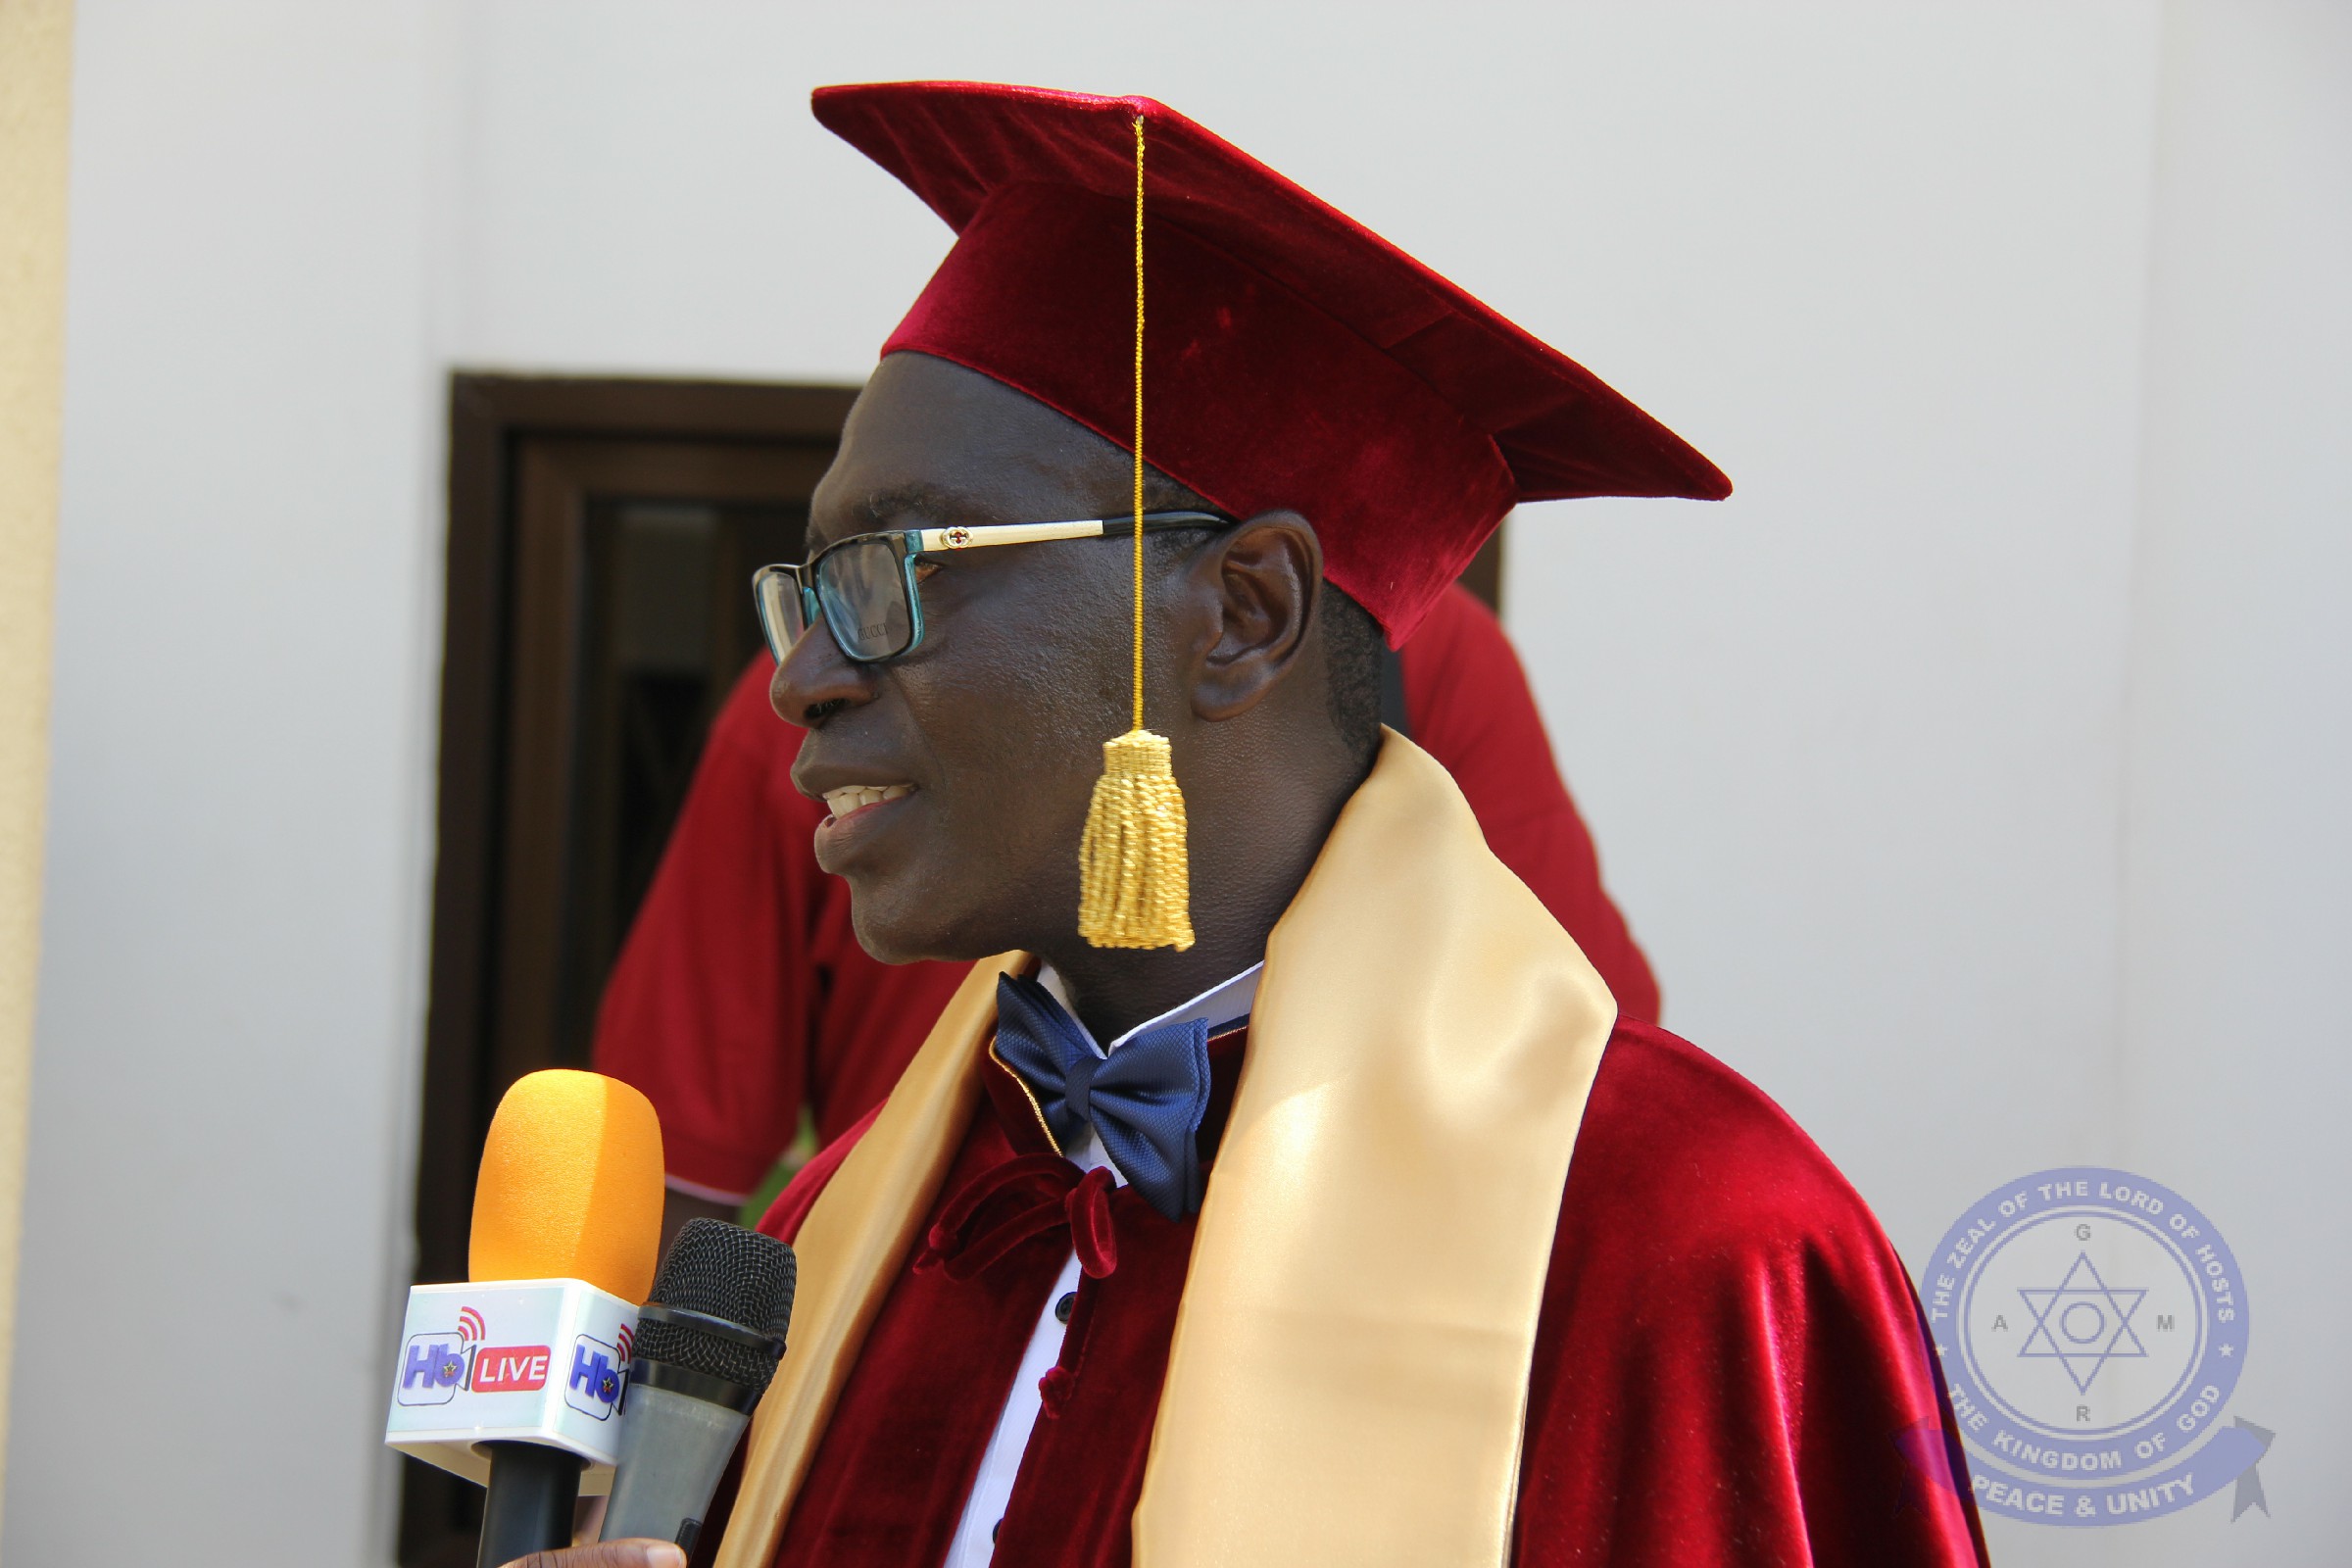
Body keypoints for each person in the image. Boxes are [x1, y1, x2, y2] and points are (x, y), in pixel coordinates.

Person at [541, 80, 1986, 1568]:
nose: (802, 677)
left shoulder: (1688, 1244)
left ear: (1243, 612)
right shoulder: (849, 1231)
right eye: (813, 586)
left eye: (901, 566)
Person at [596, 580, 1664, 1243]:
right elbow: (663, 1165)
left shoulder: (1411, 666)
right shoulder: (825, 715)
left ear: (1260, 597)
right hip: (923, 1314)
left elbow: (1578, 1077)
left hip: (1328, 1334)